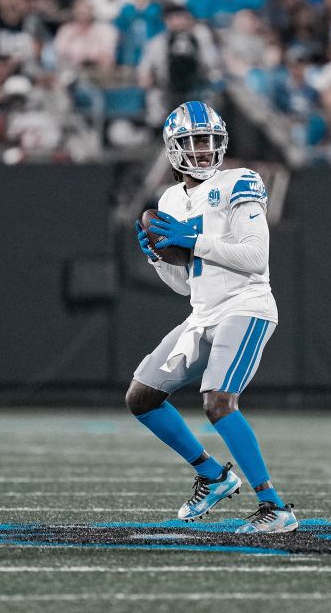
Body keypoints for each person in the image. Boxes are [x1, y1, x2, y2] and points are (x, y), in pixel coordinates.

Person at [127, 101, 298, 534]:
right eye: (192, 143)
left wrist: (195, 239)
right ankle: (212, 474)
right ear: (173, 149)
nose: (202, 151)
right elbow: (186, 285)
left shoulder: (240, 181)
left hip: (246, 305)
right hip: (203, 313)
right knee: (141, 397)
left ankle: (275, 506)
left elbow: (256, 258)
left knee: (218, 402)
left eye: (208, 142)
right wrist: (159, 262)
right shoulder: (169, 198)